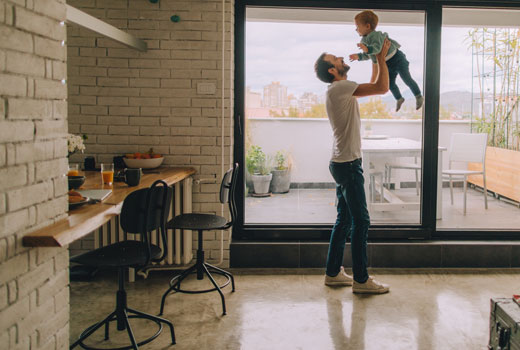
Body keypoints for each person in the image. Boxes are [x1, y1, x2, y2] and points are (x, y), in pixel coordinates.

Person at [314, 39, 391, 294]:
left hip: (340, 162)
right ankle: (361, 280)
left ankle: (333, 273)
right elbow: (382, 88)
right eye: (336, 59)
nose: (342, 60)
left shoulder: (339, 89)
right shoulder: (341, 88)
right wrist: (380, 56)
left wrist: (373, 58)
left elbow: (373, 83)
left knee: (344, 220)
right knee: (362, 221)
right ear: (332, 71)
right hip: (347, 164)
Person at [349, 10, 423, 112]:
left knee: (406, 78)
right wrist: (358, 56)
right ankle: (399, 98)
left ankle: (418, 95)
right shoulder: (364, 40)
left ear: (367, 26)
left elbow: (378, 49)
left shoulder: (376, 35)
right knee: (390, 84)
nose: (356, 29)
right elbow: (369, 55)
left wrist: (366, 49)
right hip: (387, 63)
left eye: (357, 26)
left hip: (397, 59)